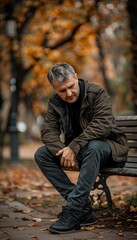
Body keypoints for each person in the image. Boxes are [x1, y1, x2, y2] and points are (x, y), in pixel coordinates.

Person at [34, 62, 128, 234]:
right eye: (62, 90)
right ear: (54, 89)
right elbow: (48, 131)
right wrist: (64, 152)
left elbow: (103, 125)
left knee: (94, 146)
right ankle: (84, 208)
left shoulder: (97, 92)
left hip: (108, 148)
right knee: (41, 154)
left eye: (71, 86)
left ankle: (74, 210)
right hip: (82, 151)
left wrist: (74, 147)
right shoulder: (55, 103)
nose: (68, 93)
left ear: (76, 76)